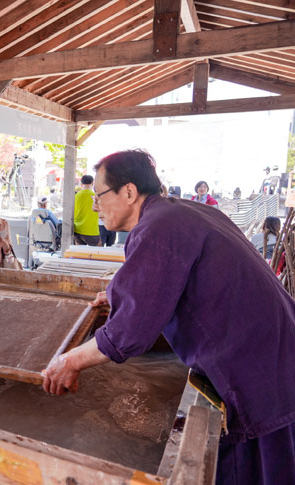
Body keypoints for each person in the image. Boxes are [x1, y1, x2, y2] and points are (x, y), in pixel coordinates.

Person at [41, 149, 295, 485]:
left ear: (128, 192)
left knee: (256, 472)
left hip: (255, 376)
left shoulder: (156, 230)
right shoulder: (183, 213)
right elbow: (158, 278)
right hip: (278, 360)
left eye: (98, 195)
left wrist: (69, 362)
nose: (93, 206)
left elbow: (129, 334)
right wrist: (118, 295)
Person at [73, 175, 100, 246]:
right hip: (91, 230)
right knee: (96, 253)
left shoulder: (76, 195)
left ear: (81, 183)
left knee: (79, 254)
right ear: (93, 183)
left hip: (77, 229)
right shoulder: (95, 196)